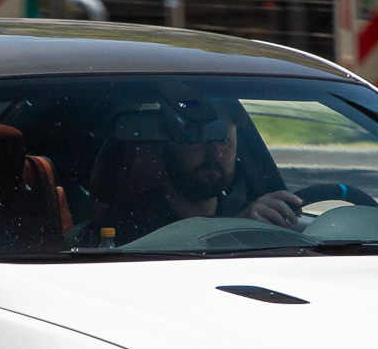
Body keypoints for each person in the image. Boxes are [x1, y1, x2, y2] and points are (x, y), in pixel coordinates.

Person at [81, 93, 303, 246]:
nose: (214, 153)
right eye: (197, 138)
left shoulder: (254, 216)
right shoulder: (123, 224)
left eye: (224, 139)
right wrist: (237, 228)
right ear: (167, 146)